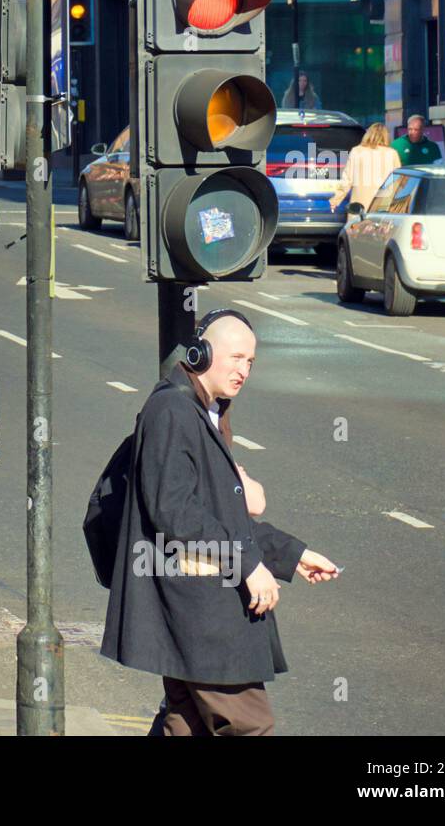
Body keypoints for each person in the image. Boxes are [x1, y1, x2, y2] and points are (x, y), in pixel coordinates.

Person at [102, 309, 340, 736]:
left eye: (250, 361)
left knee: (184, 724)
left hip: (195, 607)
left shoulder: (207, 412)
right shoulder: (171, 411)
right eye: (235, 357)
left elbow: (218, 513)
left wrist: (291, 554)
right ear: (201, 352)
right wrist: (249, 565)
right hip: (199, 611)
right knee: (248, 724)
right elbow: (174, 512)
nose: (243, 370)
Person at [329, 122, 401, 213]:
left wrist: (335, 200)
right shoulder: (392, 154)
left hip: (359, 205)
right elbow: (398, 181)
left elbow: (347, 180)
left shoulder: (356, 151)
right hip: (384, 205)